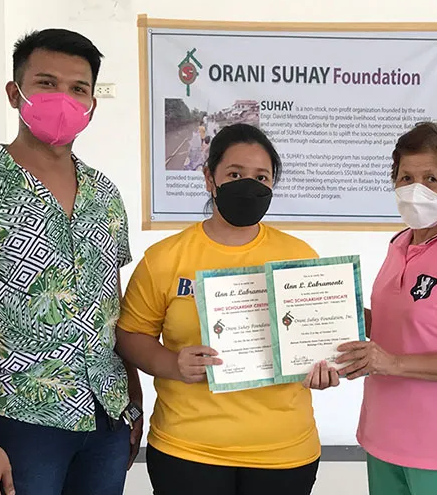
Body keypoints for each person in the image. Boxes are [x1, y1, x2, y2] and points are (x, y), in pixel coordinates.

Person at [0, 29, 142, 495]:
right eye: (46, 83)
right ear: (15, 94)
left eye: (79, 88)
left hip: (106, 414)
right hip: (21, 420)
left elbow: (111, 307)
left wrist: (133, 401)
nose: (64, 97)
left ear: (92, 104)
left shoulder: (105, 195)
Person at [115, 123, 339, 495]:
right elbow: (129, 335)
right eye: (234, 174)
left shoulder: (298, 256)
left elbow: (315, 336)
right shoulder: (166, 258)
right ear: (209, 178)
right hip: (188, 449)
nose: (248, 184)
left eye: (261, 177)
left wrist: (324, 366)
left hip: (283, 452)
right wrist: (173, 364)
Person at [337, 123, 437, 495]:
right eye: (406, 177)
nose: (416, 188)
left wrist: (392, 363)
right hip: (382, 432)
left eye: (431, 179)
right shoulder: (398, 246)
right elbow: (399, 328)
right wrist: (346, 316)